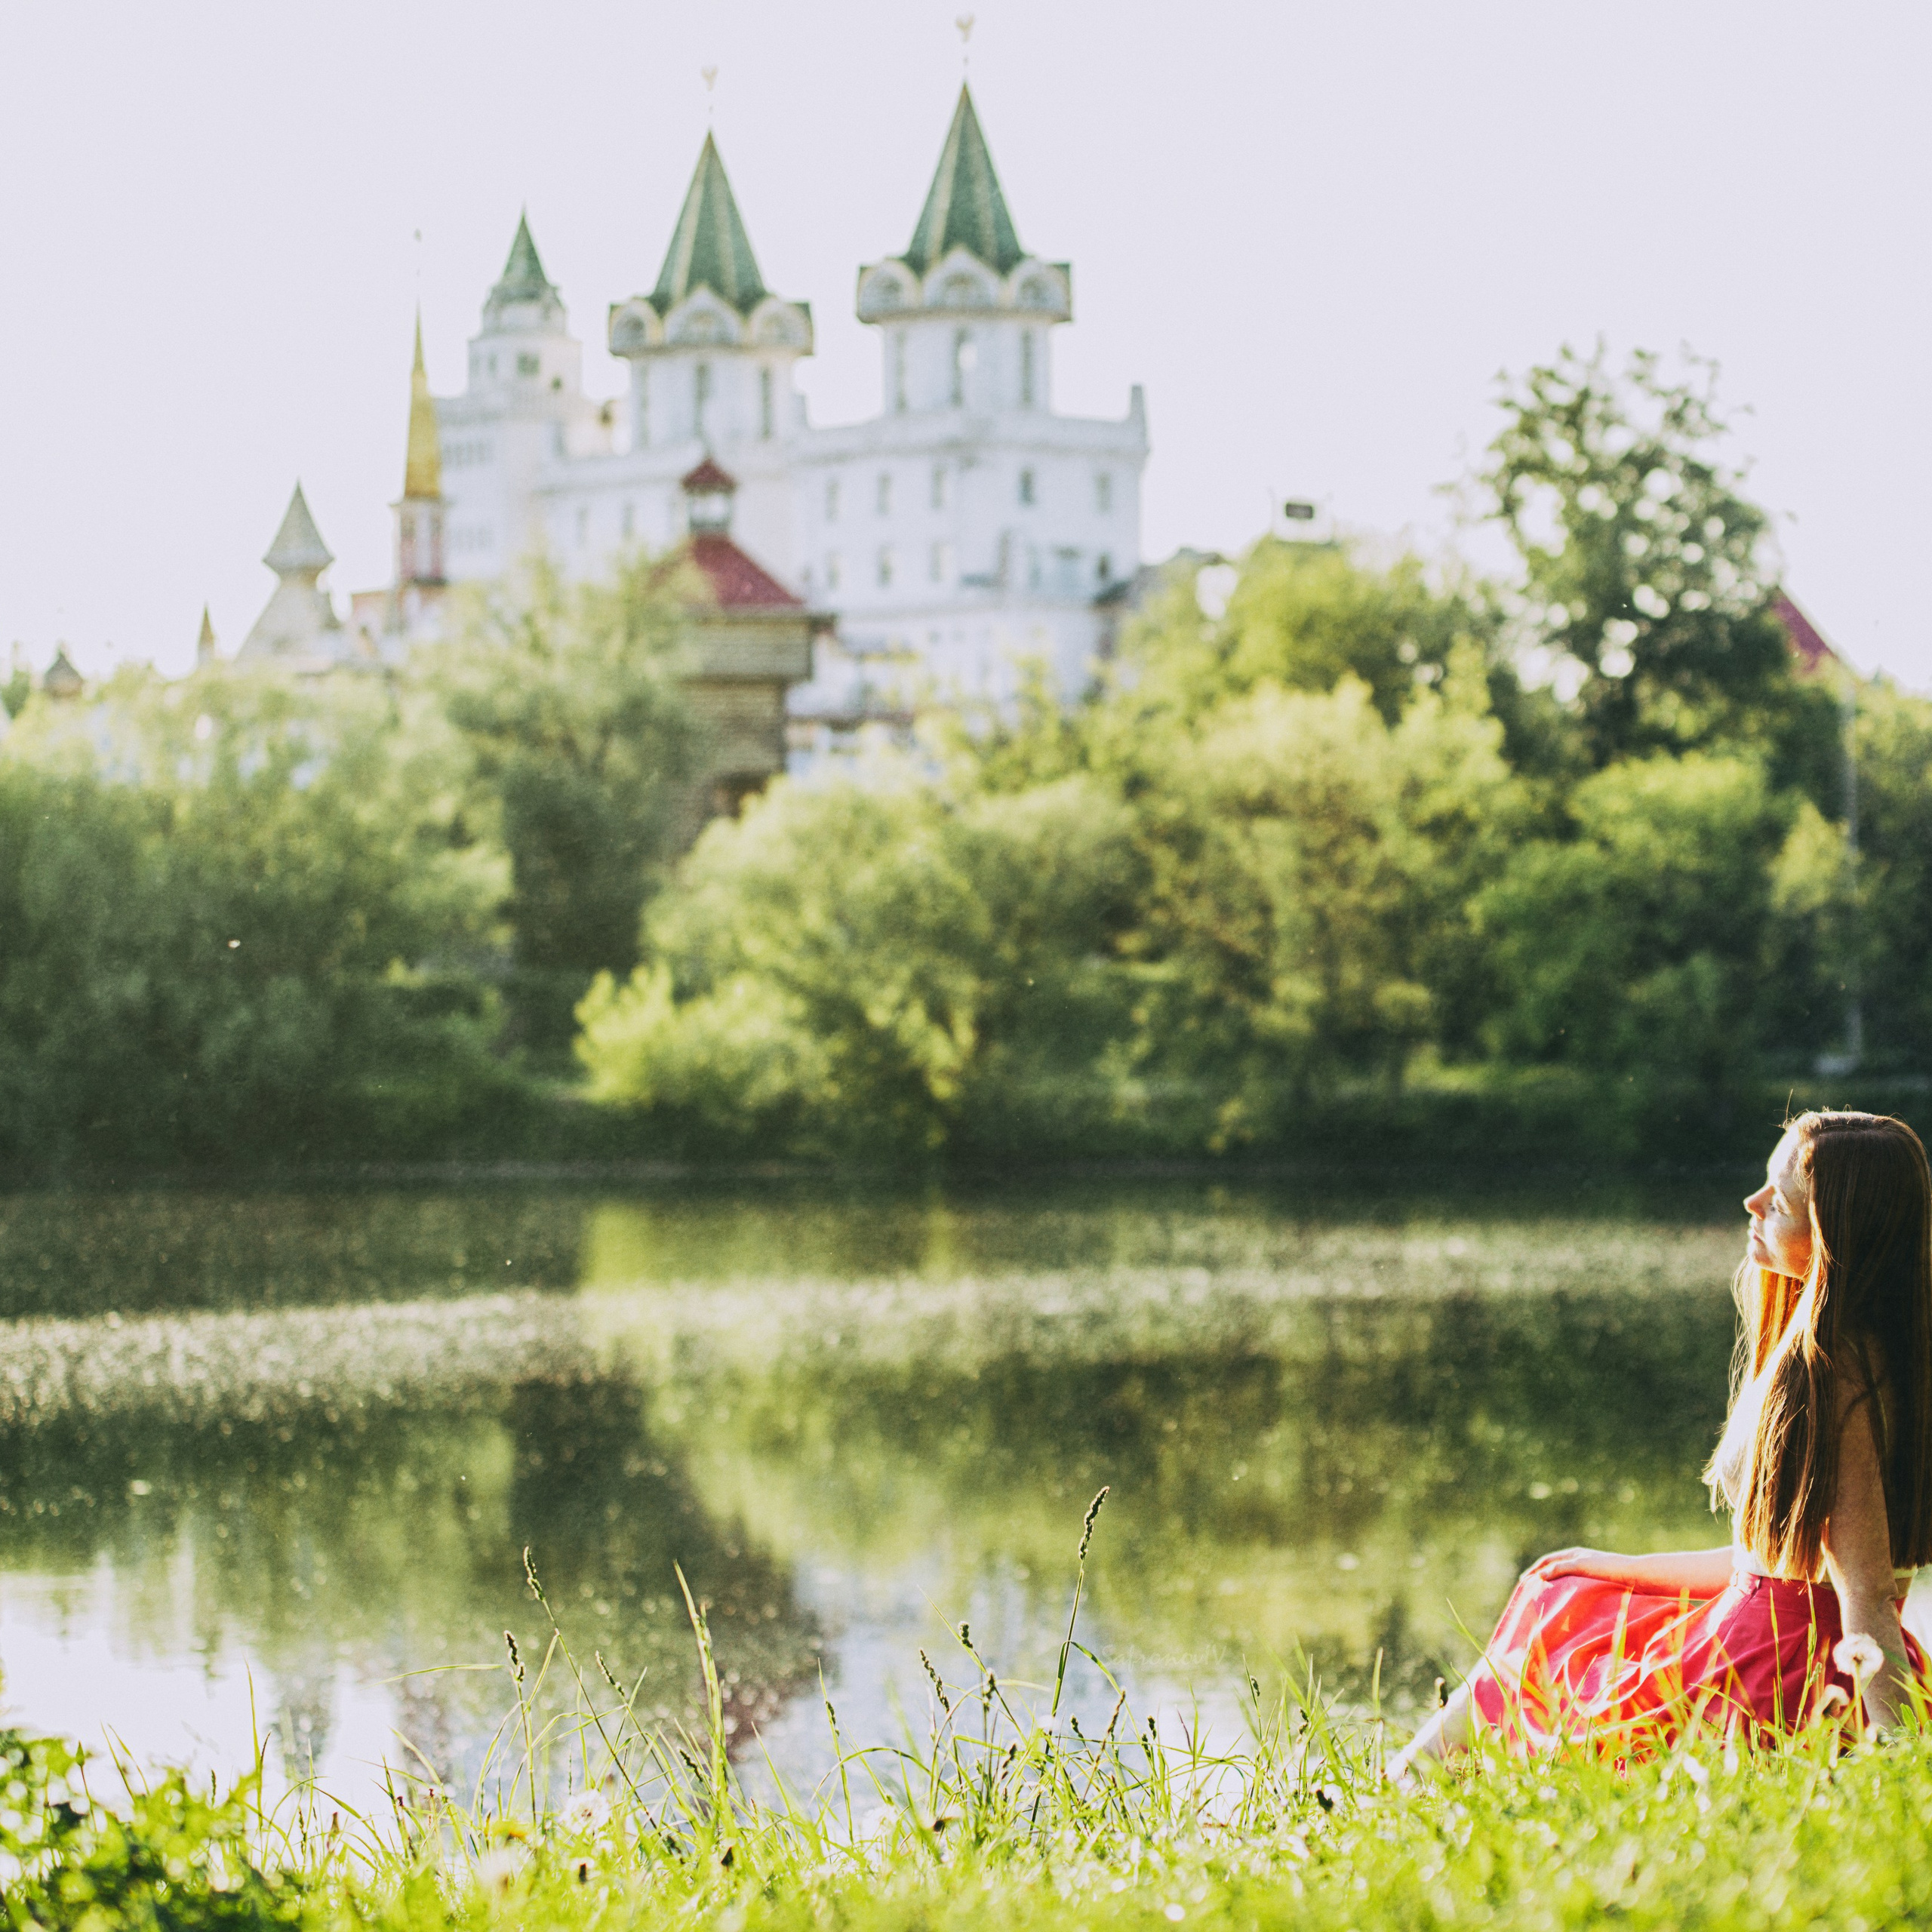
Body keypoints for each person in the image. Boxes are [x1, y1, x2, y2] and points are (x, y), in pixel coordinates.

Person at [1393, 1110, 1932, 1777]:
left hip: (1776, 1674)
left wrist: (1898, 1759)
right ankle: (1402, 1782)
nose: (1752, 1204)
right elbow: (1771, 1566)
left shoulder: (1833, 1370)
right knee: (1560, 1587)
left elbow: (1868, 1593)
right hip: (1774, 1634)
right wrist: (1605, 1562)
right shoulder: (1876, 1352)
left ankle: (1400, 1787)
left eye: (1781, 1200)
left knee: (1557, 1613)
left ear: (1836, 1236)